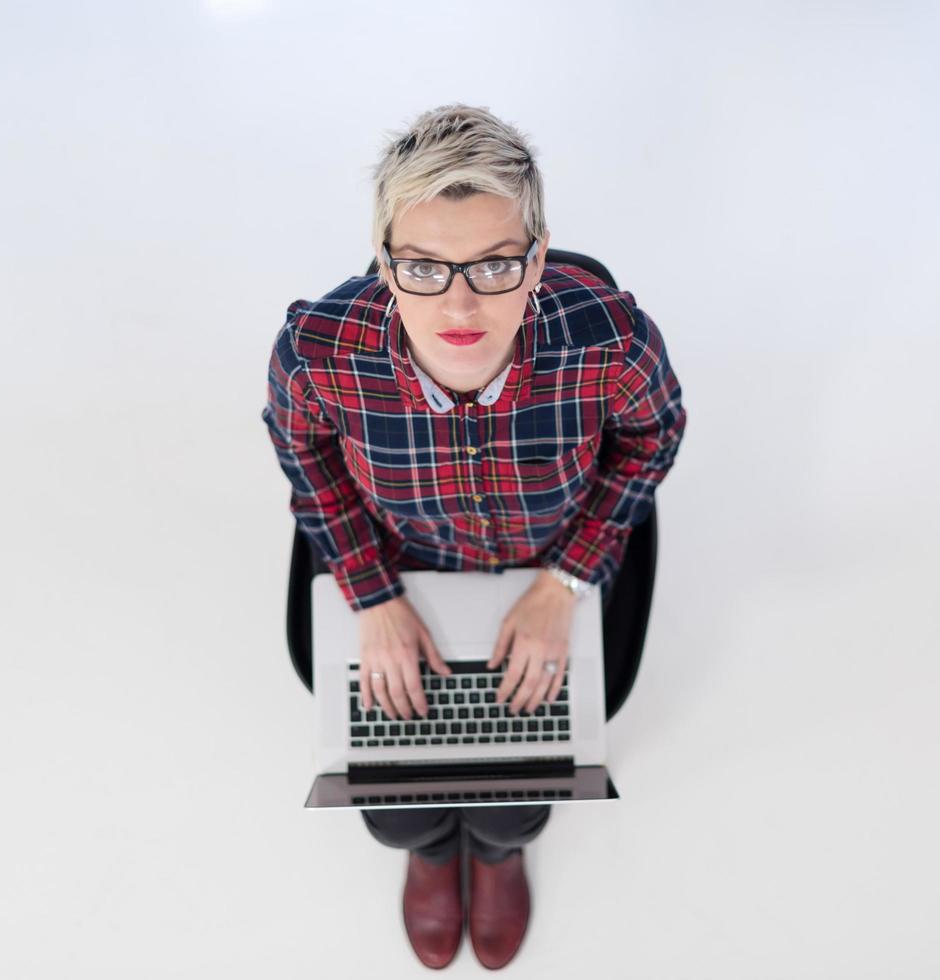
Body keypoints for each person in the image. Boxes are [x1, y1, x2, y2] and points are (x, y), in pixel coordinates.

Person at [262, 103, 687, 970]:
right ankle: (428, 849)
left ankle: (496, 850)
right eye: (422, 267)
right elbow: (300, 447)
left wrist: (564, 583)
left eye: (494, 264)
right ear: (384, 261)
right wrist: (372, 595)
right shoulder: (315, 350)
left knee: (527, 770)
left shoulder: (608, 337)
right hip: (400, 558)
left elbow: (655, 433)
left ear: (535, 259)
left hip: (551, 555)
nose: (458, 303)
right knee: (391, 782)